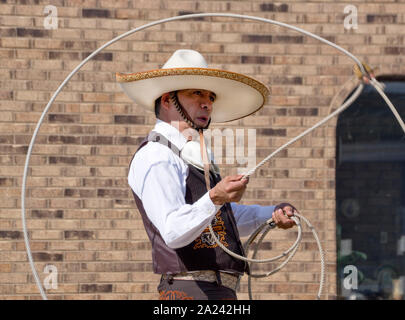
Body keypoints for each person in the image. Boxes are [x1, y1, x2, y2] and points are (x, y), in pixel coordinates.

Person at [116, 49, 298, 300]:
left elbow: (222, 221)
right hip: (187, 292)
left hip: (217, 292)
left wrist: (272, 214)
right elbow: (173, 230)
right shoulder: (156, 155)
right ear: (168, 100)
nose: (207, 103)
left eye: (210, 96)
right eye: (196, 93)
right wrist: (215, 197)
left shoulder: (191, 156)